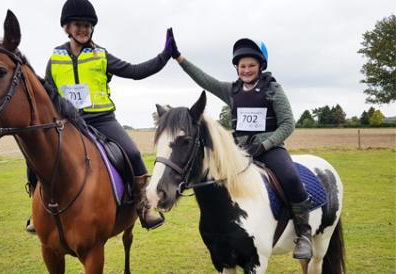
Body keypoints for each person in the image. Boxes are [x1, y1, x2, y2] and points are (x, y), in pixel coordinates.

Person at [26, 0, 171, 232]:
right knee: (35, 155)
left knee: (133, 153)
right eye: (77, 24)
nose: (83, 29)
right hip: (67, 122)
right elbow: (48, 93)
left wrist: (164, 56)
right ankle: (35, 209)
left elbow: (134, 71)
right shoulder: (55, 59)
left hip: (101, 119)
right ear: (67, 27)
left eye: (87, 25)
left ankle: (144, 206)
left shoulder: (101, 55)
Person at [167, 31, 313, 260]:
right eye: (242, 66)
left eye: (251, 66)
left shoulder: (274, 90)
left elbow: (288, 124)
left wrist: (265, 145)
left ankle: (304, 234)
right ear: (237, 68)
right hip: (239, 151)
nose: (246, 70)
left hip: (269, 149)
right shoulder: (232, 91)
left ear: (260, 66)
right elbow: (205, 80)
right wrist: (179, 58)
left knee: (291, 178)